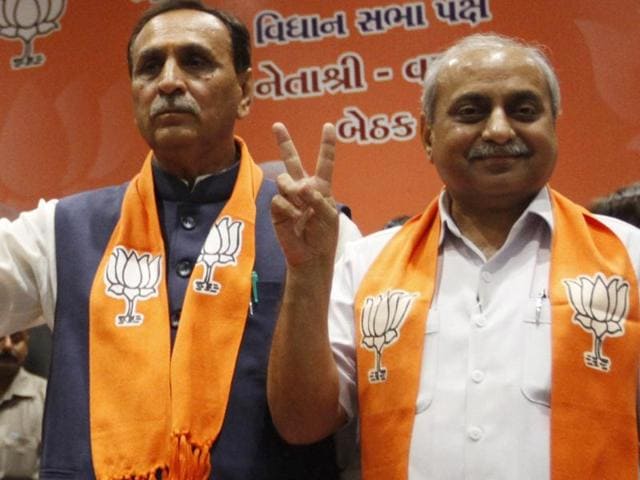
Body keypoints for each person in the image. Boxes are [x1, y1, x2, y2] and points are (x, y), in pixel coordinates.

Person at [0, 0, 360, 478]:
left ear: (246, 92)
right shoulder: (60, 230)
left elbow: (332, 419)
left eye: (195, 61)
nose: (169, 81)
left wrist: (309, 269)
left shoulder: (321, 230)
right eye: (150, 67)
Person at [268, 33, 640, 479]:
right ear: (427, 136)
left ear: (554, 126)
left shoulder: (629, 257)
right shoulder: (365, 265)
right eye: (472, 111)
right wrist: (307, 272)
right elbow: (301, 423)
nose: (500, 130)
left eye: (524, 110)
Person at [0, 330, 47, 479]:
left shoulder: (47, 397)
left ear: (27, 344)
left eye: (16, 338)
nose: (7, 345)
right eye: (0, 337)